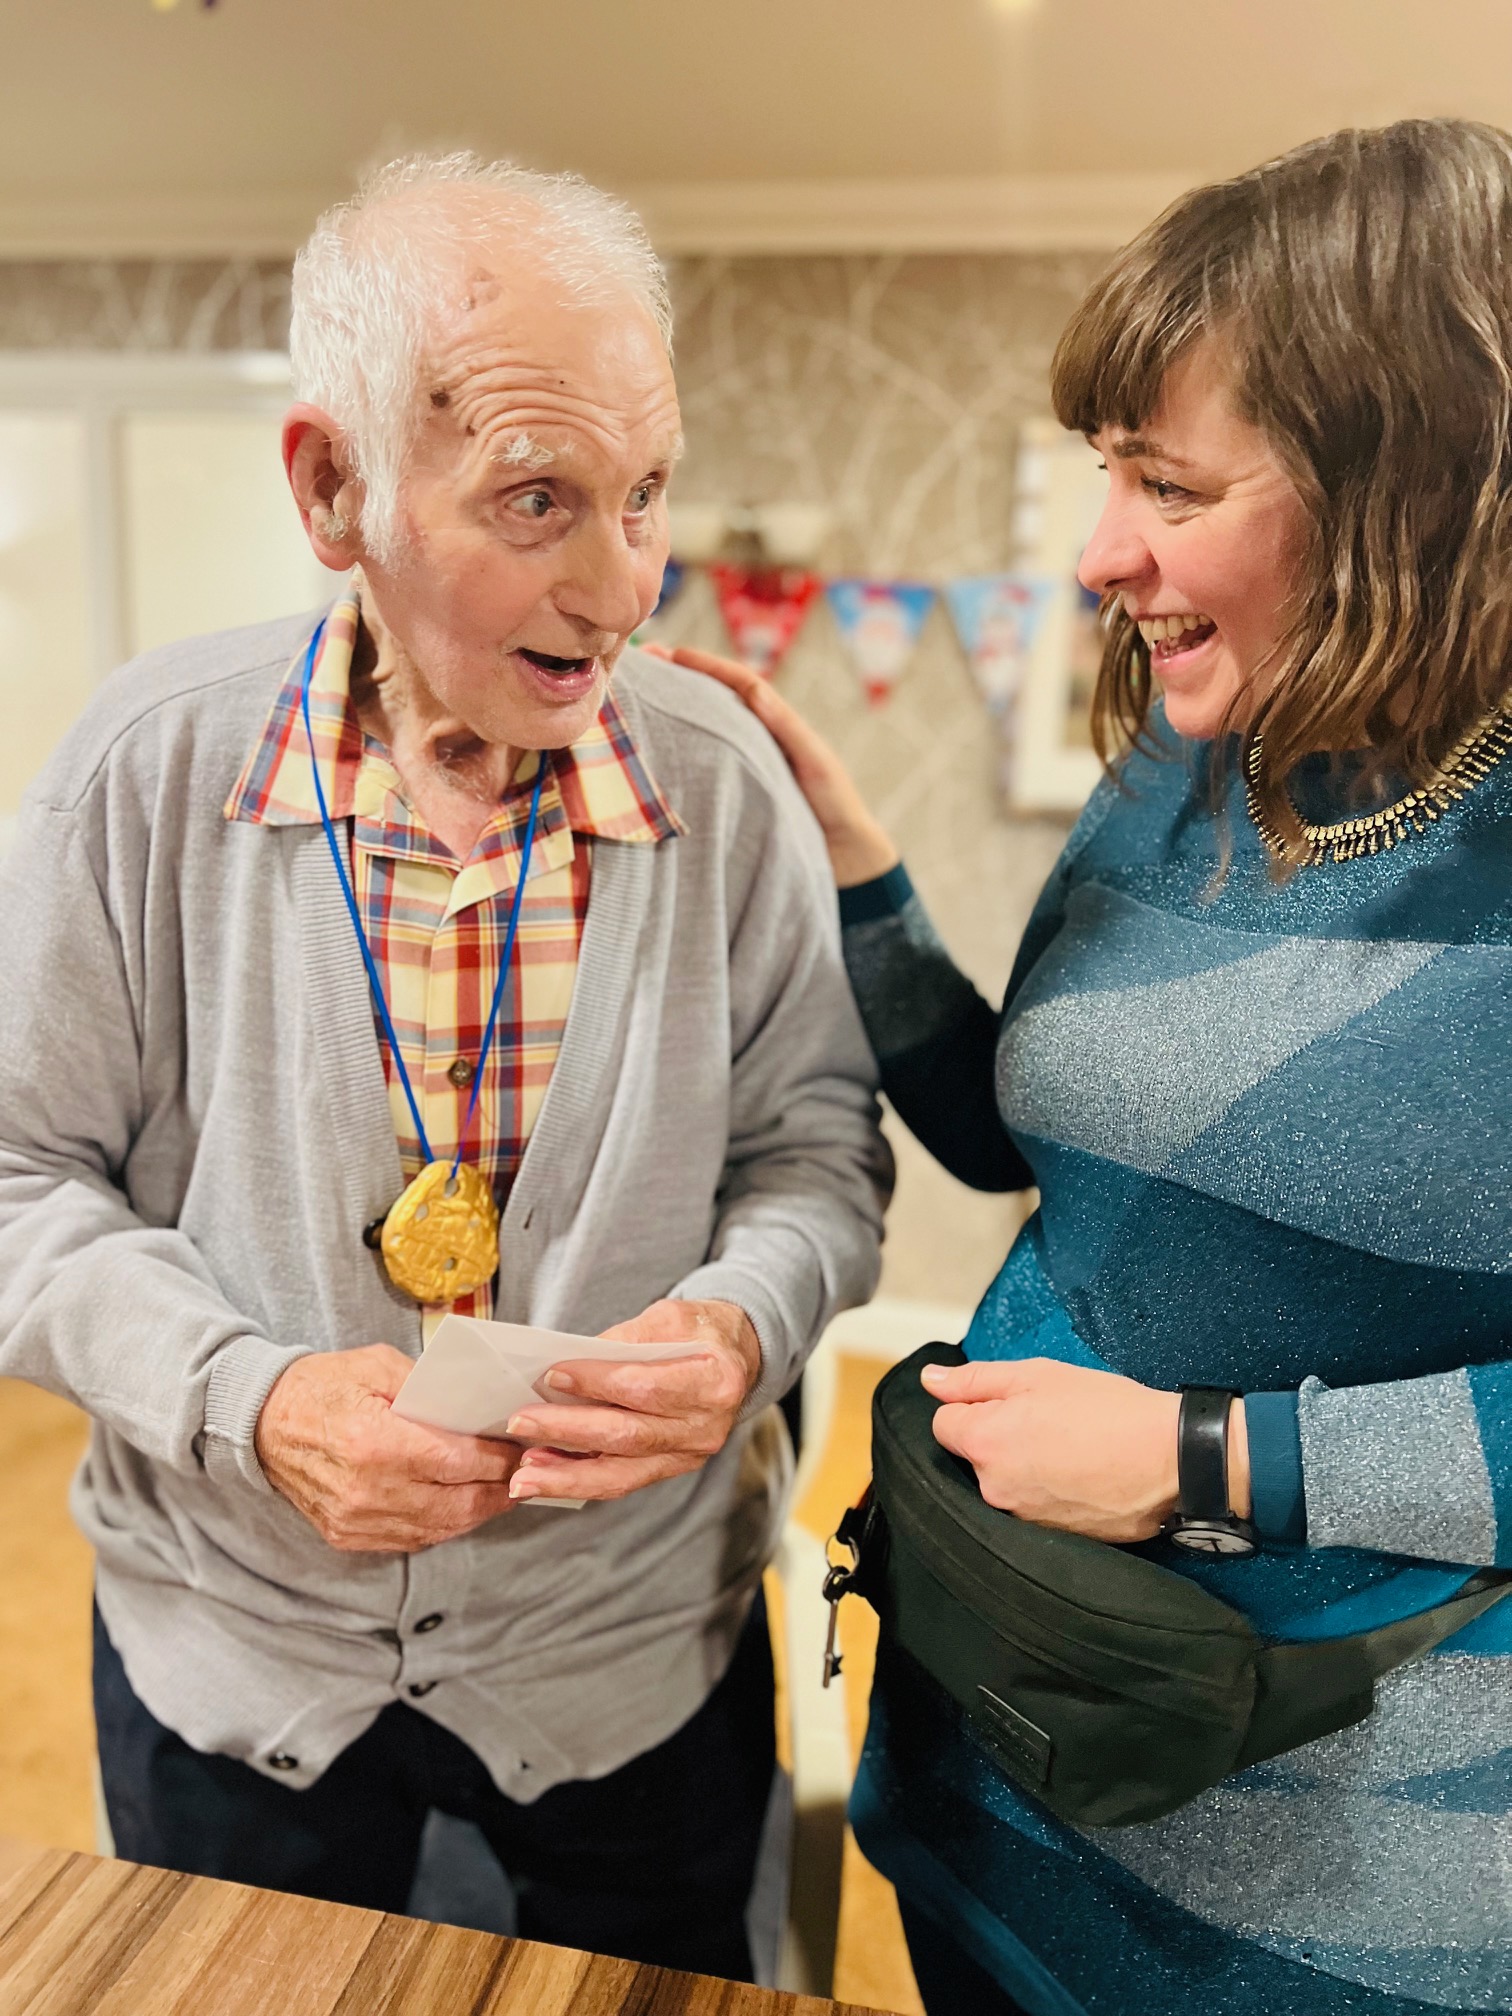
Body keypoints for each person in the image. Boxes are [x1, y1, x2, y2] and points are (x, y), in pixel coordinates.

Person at [0, 152, 891, 1981]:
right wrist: (243, 1399)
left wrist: (740, 1324)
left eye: (645, 495)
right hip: (232, 1655)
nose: (620, 583)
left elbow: (819, 1154)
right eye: (540, 499)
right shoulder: (142, 773)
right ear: (334, 488)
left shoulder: (724, 786)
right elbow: (18, 1177)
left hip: (633, 1656)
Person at [658, 118, 1512, 2016]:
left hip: (1336, 1896)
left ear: (1419, 487)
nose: (1105, 551)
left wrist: (1209, 1463)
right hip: (1000, 1770)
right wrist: (870, 882)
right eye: (1108, 473)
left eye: (1171, 485)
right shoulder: (1184, 768)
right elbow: (1014, 1142)